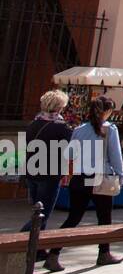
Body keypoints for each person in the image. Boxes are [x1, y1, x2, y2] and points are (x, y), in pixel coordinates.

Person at [46, 95, 123, 272]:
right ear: (107, 111)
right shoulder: (110, 129)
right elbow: (115, 155)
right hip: (99, 177)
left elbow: (70, 155)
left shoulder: (80, 129)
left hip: (80, 178)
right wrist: (120, 176)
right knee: (104, 218)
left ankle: (53, 253)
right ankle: (104, 253)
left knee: (73, 217)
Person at [21, 90, 72, 259]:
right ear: (59, 107)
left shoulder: (33, 124)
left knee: (37, 210)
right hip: (50, 175)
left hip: (32, 173)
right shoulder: (61, 127)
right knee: (42, 215)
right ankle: (19, 241)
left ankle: (37, 249)